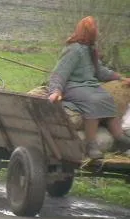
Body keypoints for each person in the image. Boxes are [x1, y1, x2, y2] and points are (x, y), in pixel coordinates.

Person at [48, 16, 130, 160]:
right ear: (87, 32)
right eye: (95, 30)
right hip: (73, 86)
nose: (98, 33)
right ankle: (90, 144)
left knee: (106, 97)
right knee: (93, 100)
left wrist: (120, 78)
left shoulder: (90, 50)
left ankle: (121, 139)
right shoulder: (73, 50)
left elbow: (100, 72)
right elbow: (59, 74)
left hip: (89, 86)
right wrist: (55, 91)